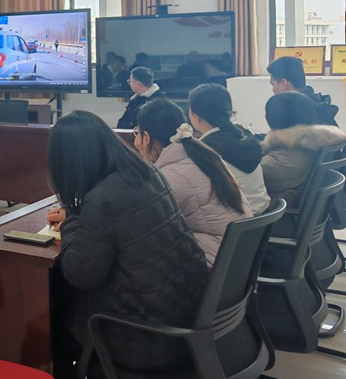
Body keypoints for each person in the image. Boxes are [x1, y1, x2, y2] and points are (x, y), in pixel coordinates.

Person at [45, 111, 208, 379]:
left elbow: (80, 274)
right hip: (187, 318)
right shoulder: (147, 172)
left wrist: (71, 220)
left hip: (148, 339)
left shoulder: (102, 199)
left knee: (49, 321)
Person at [136, 99, 252, 266]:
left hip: (214, 267)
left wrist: (145, 162)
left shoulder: (170, 177)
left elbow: (141, 223)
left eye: (137, 133)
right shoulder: (203, 155)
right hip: (237, 260)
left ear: (145, 137)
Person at [188, 84, 271, 215]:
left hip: (238, 220)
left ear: (195, 116)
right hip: (262, 214)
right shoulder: (243, 135)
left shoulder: (205, 150)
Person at [261, 92, 346, 206]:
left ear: (273, 119)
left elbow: (252, 177)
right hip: (297, 203)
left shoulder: (288, 159)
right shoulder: (315, 143)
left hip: (279, 211)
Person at [268, 56, 339, 127]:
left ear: (283, 83)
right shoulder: (318, 109)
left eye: (273, 84)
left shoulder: (296, 116)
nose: (273, 90)